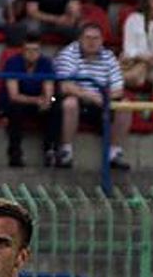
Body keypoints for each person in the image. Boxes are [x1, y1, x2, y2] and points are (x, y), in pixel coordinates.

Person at [52, 19, 129, 171]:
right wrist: (90, 95)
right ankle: (65, 151)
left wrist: (104, 98)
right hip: (78, 100)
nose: (92, 42)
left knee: (125, 105)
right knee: (70, 103)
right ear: (80, 39)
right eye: (87, 38)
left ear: (102, 40)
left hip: (102, 101)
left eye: (96, 39)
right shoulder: (68, 54)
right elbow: (65, 85)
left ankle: (114, 154)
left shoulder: (109, 57)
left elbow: (118, 88)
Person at [0, 27, 67, 167]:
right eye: (28, 50)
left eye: (35, 50)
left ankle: (51, 150)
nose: (32, 53)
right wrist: (37, 100)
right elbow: (14, 95)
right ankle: (15, 153)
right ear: (22, 50)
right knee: (14, 107)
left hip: (40, 101)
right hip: (18, 101)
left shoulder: (46, 63)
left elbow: (49, 87)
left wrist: (47, 100)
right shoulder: (13, 63)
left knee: (57, 103)